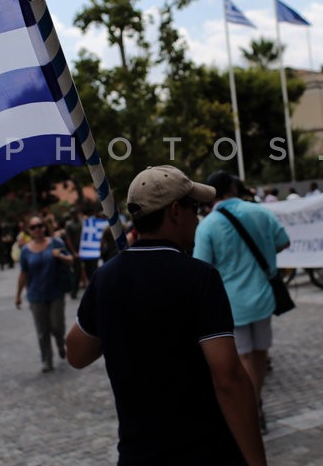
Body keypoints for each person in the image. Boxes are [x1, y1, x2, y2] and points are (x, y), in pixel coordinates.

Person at [66, 165, 266, 465]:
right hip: (204, 452)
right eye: (194, 208)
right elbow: (229, 379)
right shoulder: (200, 277)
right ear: (175, 211)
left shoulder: (105, 278)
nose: (198, 218)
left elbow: (76, 353)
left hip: (137, 455)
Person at [193, 170, 291, 434]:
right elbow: (283, 241)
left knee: (245, 356)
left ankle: (253, 408)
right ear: (233, 188)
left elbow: (202, 266)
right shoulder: (259, 212)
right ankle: (256, 403)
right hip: (263, 297)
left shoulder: (208, 225)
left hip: (232, 302)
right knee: (260, 353)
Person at [16, 216, 73, 372]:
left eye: (40, 225)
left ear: (44, 227)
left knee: (57, 326)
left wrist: (59, 255)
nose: (38, 229)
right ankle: (47, 360)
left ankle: (61, 344)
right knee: (42, 330)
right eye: (34, 227)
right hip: (36, 296)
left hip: (56, 293)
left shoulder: (56, 243)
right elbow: (23, 273)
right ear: (29, 230)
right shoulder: (26, 250)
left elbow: (71, 260)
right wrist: (18, 295)